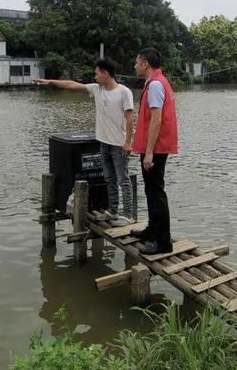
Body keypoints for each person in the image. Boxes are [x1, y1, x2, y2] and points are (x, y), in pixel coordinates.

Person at [34, 58, 135, 227]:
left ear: (105, 73)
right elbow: (71, 85)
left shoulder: (124, 92)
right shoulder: (97, 89)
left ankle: (128, 215)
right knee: (109, 178)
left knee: (123, 179)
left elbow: (130, 118)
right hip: (103, 143)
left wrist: (128, 142)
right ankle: (113, 210)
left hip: (119, 144)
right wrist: (51, 82)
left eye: (96, 73)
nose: (94, 77)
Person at [130, 47, 178, 255]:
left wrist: (149, 152)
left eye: (136, 62)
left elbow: (156, 120)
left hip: (156, 148)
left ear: (145, 64)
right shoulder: (157, 82)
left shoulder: (156, 85)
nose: (134, 66)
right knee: (152, 190)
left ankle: (163, 242)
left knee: (156, 192)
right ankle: (153, 230)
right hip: (155, 146)